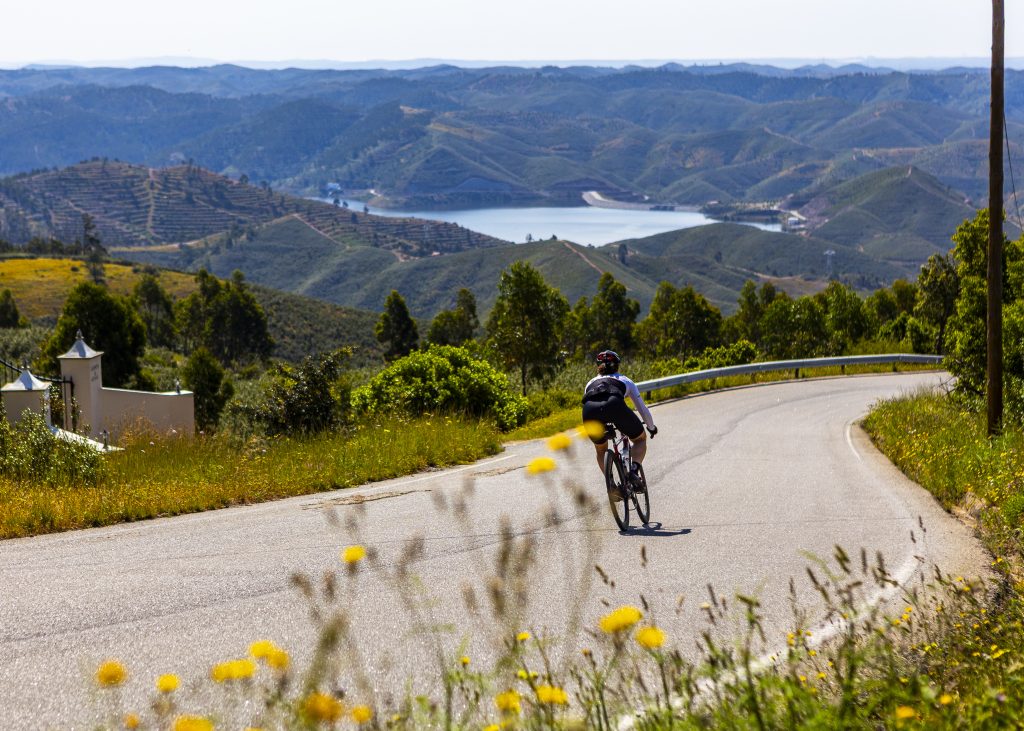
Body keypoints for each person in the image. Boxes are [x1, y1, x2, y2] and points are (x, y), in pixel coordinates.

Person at [581, 350, 657, 501]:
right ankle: (634, 472)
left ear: (598, 367)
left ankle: (611, 485)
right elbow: (641, 408)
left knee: (601, 449)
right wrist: (651, 427)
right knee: (640, 439)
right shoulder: (625, 380)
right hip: (614, 406)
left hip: (589, 411)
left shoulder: (590, 383)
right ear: (617, 365)